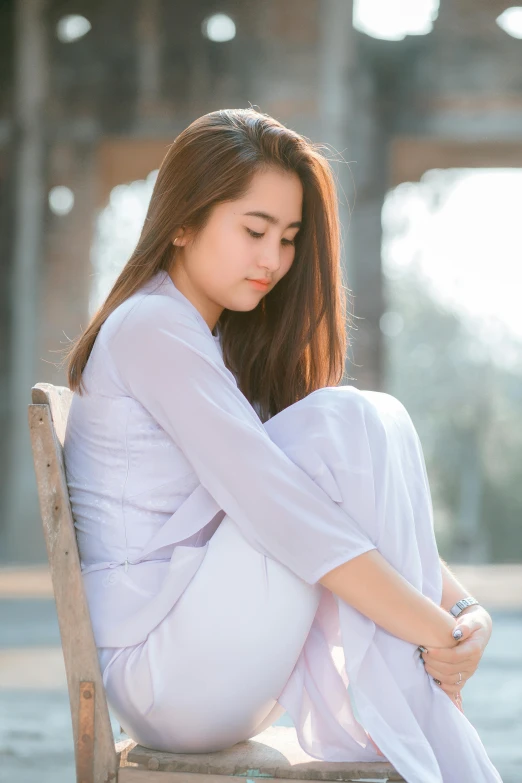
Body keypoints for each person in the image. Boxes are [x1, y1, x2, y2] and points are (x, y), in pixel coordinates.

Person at [63, 108, 501, 783]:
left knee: (362, 421)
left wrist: (462, 611)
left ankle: (425, 711)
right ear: (182, 222)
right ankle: (428, 719)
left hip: (205, 659)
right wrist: (436, 632)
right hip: (168, 673)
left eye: (289, 237)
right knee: (348, 421)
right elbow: (286, 514)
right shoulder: (152, 327)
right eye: (254, 230)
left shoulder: (208, 341)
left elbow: (340, 505)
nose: (273, 259)